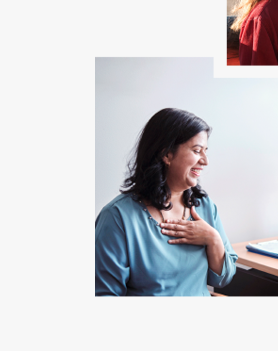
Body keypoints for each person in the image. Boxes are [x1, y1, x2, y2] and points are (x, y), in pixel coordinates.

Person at [95, 108, 237, 296]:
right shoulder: (117, 217)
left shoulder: (204, 206)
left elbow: (222, 279)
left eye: (205, 151)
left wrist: (213, 239)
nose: (205, 161)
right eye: (197, 151)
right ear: (167, 154)